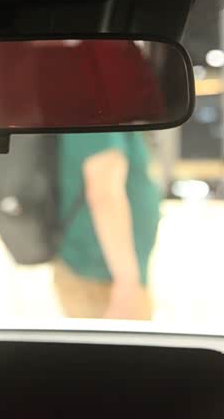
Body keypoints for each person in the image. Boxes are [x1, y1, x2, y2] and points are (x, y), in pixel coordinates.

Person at [53, 132, 161, 320]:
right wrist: (127, 284)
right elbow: (104, 195)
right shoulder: (97, 117)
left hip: (104, 274)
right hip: (101, 279)